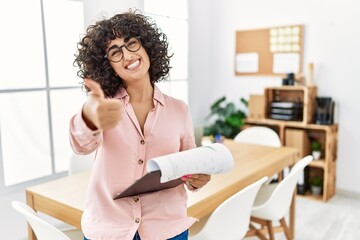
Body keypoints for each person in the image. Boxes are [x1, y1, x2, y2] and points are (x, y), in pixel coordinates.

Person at [69, 9, 211, 240]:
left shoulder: (179, 109)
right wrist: (88, 117)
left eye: (131, 43)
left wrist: (197, 180)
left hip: (166, 228)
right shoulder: (102, 106)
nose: (126, 55)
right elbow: (81, 145)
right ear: (108, 66)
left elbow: (189, 165)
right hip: (109, 228)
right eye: (115, 52)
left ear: (146, 47)